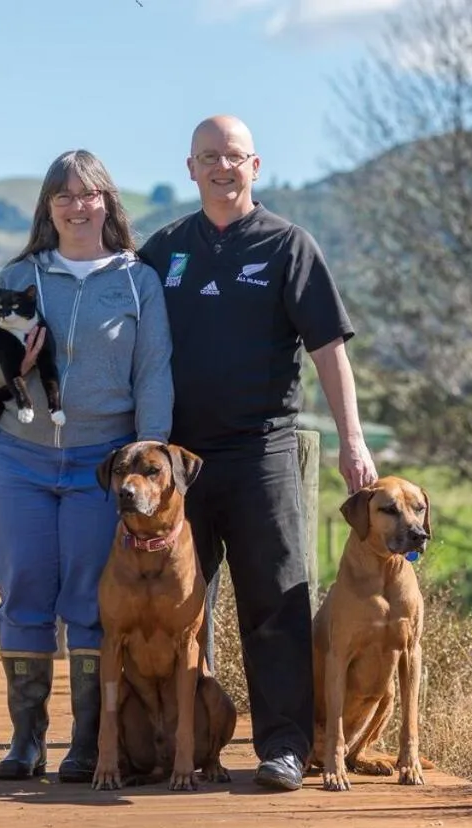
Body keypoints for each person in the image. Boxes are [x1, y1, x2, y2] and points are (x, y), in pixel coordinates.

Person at [138, 115, 377, 791]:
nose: (222, 167)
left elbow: (330, 350)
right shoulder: (164, 250)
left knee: (275, 601)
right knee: (181, 608)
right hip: (178, 463)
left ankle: (283, 747)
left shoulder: (287, 246)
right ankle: (188, 746)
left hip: (262, 450)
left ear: (255, 166)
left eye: (234, 157)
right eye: (208, 157)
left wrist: (350, 440)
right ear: (190, 169)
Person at [0, 150, 173, 783]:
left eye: (89, 194)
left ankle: (85, 743)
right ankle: (26, 740)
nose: (78, 206)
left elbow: (153, 373)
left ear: (108, 202)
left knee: (88, 602)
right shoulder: (20, 275)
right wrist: (8, 371)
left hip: (104, 469)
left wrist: (150, 462)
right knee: (22, 595)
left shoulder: (137, 281)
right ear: (48, 208)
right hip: (19, 461)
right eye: (64, 196)